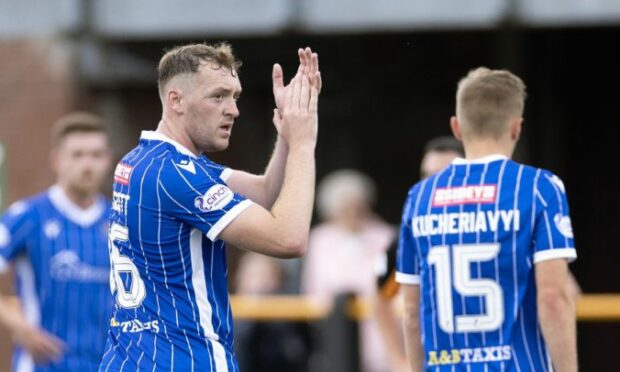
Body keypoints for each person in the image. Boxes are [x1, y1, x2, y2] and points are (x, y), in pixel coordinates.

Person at [99, 43, 321, 371]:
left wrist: (288, 135)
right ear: (176, 100)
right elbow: (289, 238)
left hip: (131, 357)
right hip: (185, 359)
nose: (233, 109)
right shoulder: (176, 175)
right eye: (218, 96)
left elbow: (263, 194)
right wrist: (304, 142)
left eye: (235, 96)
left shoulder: (146, 161)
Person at [397, 67, 577, 371]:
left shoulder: (419, 197)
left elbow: (412, 313)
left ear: (456, 127)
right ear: (517, 128)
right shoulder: (539, 188)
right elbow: (554, 299)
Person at [0, 112, 114, 371]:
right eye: (77, 154)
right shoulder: (28, 216)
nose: (87, 164)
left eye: (96, 155)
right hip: (44, 366)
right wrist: (20, 327)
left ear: (108, 160)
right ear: (57, 160)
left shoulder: (120, 222)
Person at [375, 136, 464, 372]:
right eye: (427, 176)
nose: (433, 185)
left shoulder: (502, 222)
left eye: (444, 175)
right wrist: (397, 359)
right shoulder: (410, 232)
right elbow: (380, 297)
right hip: (438, 360)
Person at [301, 169, 395, 372]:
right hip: (335, 331)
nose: (352, 213)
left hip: (382, 333)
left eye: (358, 206)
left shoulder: (385, 237)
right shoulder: (320, 240)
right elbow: (314, 287)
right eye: (345, 208)